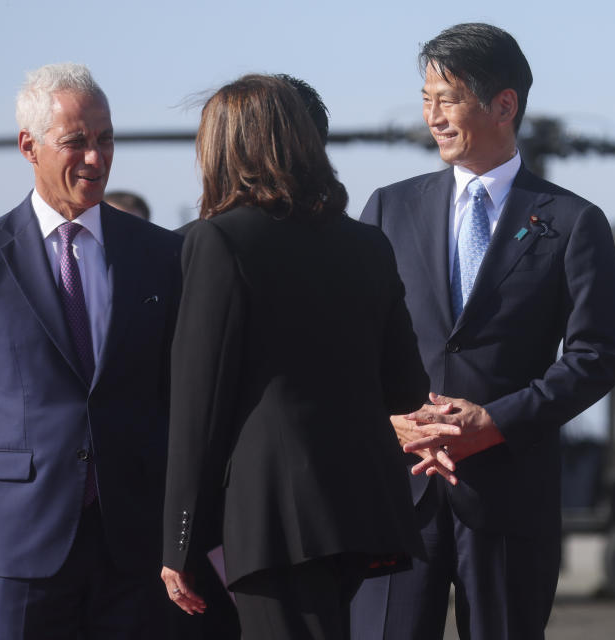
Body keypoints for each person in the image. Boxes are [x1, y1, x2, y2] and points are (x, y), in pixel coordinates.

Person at [350, 23, 615, 639]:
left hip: (509, 499)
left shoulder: (574, 222)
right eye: (426, 100)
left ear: (505, 105)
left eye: (447, 100)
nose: (433, 117)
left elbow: (596, 356)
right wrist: (388, 422)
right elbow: (348, 344)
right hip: (400, 490)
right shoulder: (388, 208)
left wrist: (496, 423)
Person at [159, 74, 428, 640]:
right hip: (359, 507)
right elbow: (406, 386)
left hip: (269, 519)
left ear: (226, 148)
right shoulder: (367, 244)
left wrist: (178, 543)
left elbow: (197, 409)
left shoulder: (219, 241)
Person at [0, 63, 183, 638]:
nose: (95, 158)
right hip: (16, 546)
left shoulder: (163, 256)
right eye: (75, 142)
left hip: (136, 546)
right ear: (29, 146)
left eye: (105, 139)